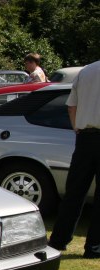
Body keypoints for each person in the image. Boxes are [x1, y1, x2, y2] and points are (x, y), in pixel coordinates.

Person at [49, 60, 100, 259]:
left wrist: (77, 129)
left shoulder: (86, 71)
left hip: (85, 137)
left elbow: (71, 106)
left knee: (75, 192)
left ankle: (58, 240)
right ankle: (94, 247)